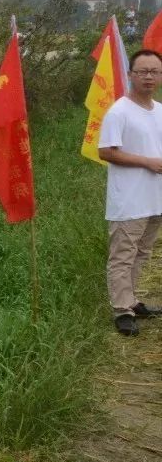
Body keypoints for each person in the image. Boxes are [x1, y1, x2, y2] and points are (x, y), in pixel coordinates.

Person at [97, 48, 162, 337]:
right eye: (143, 71)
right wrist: (146, 162)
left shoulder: (159, 110)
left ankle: (132, 300)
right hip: (129, 199)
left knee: (143, 251)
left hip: (155, 197)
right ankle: (122, 311)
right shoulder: (119, 111)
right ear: (130, 75)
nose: (149, 77)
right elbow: (106, 151)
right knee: (123, 255)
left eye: (154, 72)